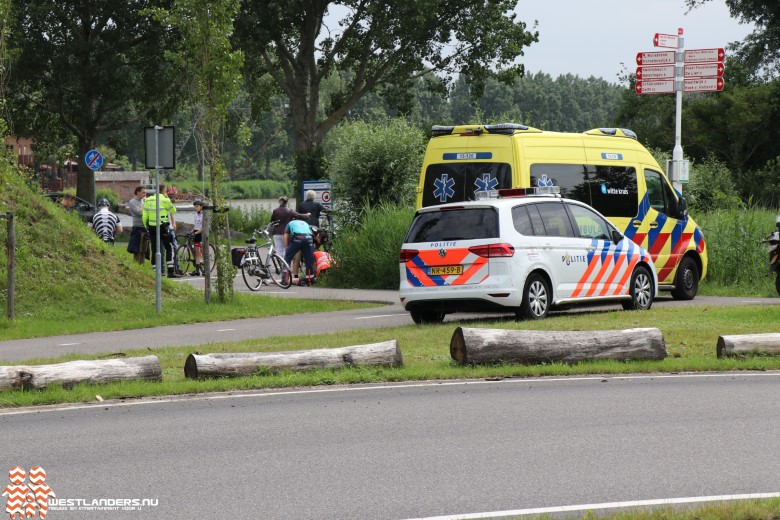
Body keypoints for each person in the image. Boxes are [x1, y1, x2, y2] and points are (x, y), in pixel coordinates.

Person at [142, 183, 181, 278]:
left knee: (155, 249)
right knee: (169, 247)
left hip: (151, 227)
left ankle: (156, 271)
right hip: (163, 227)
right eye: (166, 190)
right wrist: (168, 201)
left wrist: (147, 227)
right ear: (163, 190)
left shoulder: (148, 200)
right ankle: (170, 271)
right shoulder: (165, 200)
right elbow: (173, 211)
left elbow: (144, 216)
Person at [270, 196, 309, 260]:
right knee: (286, 249)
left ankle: (280, 265)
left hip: (276, 233)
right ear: (287, 202)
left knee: (279, 250)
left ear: (279, 202)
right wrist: (307, 215)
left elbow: (272, 222)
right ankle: (285, 266)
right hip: (286, 233)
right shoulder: (290, 211)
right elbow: (299, 216)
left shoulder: (275, 211)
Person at [284, 216, 316, 286]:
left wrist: (286, 248)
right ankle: (310, 281)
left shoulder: (290, 223)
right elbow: (312, 234)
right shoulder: (305, 223)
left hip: (297, 238)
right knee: (309, 261)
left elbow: (286, 236)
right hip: (309, 238)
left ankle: (285, 279)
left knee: (287, 259)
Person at [126, 186, 148, 264]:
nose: (145, 194)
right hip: (137, 227)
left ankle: (142, 264)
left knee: (144, 249)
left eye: (145, 192)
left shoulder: (144, 201)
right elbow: (139, 213)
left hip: (145, 227)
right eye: (143, 192)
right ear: (137, 192)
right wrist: (145, 205)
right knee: (136, 248)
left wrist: (143, 207)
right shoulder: (132, 202)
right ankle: (136, 263)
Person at [189, 199, 205, 276]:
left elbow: (203, 228)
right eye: (195, 206)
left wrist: (195, 233)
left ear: (201, 207)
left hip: (201, 234)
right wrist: (191, 232)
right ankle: (197, 270)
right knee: (197, 253)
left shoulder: (203, 215)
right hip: (196, 233)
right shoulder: (196, 214)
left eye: (197, 206)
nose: (196, 208)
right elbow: (196, 226)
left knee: (201, 252)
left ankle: (205, 268)